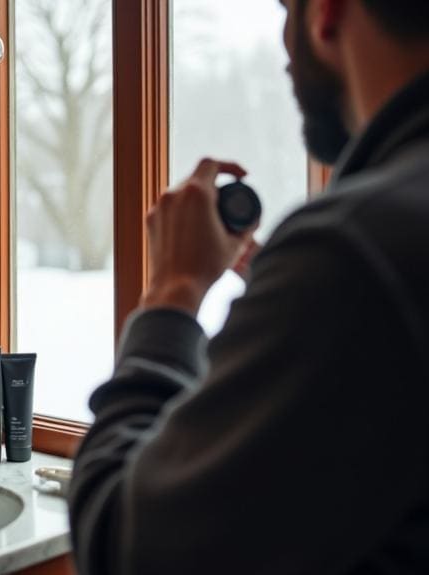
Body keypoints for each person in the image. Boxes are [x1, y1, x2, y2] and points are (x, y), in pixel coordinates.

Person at [68, 0, 429, 573]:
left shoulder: (352, 252)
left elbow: (125, 546)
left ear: (327, 15)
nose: (285, 50)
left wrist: (172, 292)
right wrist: (284, 294)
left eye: (286, 8)